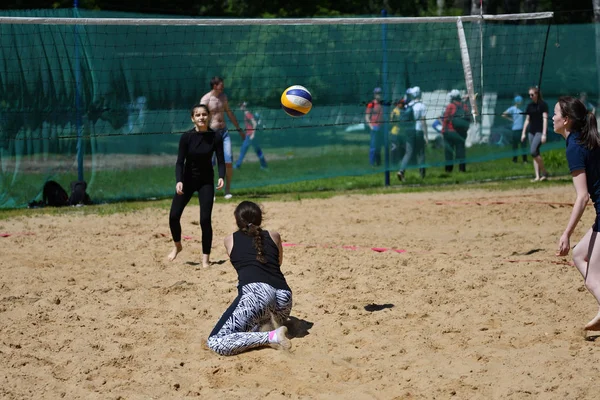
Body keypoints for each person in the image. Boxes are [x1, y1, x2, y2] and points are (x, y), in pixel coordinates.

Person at [207, 201, 293, 355]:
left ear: (237, 220)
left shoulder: (229, 240)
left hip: (258, 294)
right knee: (253, 321)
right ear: (260, 218)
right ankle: (269, 330)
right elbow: (278, 263)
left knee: (216, 341)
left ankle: (271, 336)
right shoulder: (274, 236)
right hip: (284, 299)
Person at [553, 96, 600, 331]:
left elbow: (582, 197)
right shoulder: (587, 139)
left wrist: (566, 233)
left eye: (555, 114)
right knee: (580, 255)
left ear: (566, 120)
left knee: (592, 279)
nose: (552, 118)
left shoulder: (575, 147)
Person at [167, 104, 225, 268]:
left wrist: (221, 176)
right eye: (198, 115)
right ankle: (178, 246)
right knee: (173, 216)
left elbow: (221, 160)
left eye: (204, 114)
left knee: (205, 220)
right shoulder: (187, 137)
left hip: (206, 181)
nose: (201, 117)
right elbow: (179, 162)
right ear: (193, 118)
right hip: (187, 180)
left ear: (209, 116)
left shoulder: (215, 137)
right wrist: (179, 180)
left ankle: (205, 259)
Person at [200, 76, 245, 199]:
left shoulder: (223, 97)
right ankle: (211, 192)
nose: (223, 86)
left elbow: (229, 113)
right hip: (211, 134)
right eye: (221, 84)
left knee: (228, 161)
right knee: (211, 164)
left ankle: (227, 190)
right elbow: (200, 118)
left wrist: (239, 129)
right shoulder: (206, 100)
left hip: (224, 133)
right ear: (215, 86)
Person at [397, 87, 427, 181]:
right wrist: (426, 135)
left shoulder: (409, 105)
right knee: (421, 153)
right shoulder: (422, 106)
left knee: (408, 152)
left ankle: (401, 171)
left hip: (409, 131)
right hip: (418, 131)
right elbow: (423, 121)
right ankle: (422, 174)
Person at [521, 86, 550, 182]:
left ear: (537, 94)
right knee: (535, 154)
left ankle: (544, 172)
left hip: (539, 131)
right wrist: (523, 133)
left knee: (533, 151)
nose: (530, 96)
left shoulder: (543, 105)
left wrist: (544, 134)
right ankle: (538, 176)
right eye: (529, 95)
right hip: (531, 132)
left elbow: (545, 119)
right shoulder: (529, 106)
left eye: (532, 94)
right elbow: (527, 120)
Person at [441, 89, 470, 173]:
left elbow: (445, 119)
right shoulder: (464, 106)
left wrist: (443, 130)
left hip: (449, 132)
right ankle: (462, 169)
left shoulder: (450, 106)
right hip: (460, 133)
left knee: (449, 152)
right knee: (461, 151)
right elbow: (468, 119)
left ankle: (448, 170)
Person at [234, 102, 268, 170]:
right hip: (249, 135)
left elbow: (254, 123)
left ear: (245, 106)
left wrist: (253, 134)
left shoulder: (248, 114)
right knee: (257, 150)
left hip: (250, 135)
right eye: (240, 106)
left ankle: (237, 165)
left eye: (241, 105)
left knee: (244, 150)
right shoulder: (247, 113)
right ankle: (264, 165)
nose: (240, 107)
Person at [502, 95, 528, 163]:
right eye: (520, 101)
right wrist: (510, 119)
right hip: (515, 130)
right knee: (515, 146)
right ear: (517, 102)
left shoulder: (523, 108)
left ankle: (524, 160)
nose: (521, 102)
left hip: (522, 130)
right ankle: (515, 160)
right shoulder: (512, 109)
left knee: (523, 146)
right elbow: (504, 114)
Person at [365, 87, 384, 166]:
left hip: (381, 127)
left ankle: (378, 163)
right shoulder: (371, 104)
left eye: (380, 93)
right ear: (374, 94)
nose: (379, 95)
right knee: (373, 146)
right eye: (377, 93)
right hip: (374, 127)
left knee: (379, 146)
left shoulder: (382, 104)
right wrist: (370, 126)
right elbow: (367, 116)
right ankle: (371, 163)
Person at [389, 98, 406, 165]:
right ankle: (393, 163)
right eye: (401, 103)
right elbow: (391, 122)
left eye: (403, 103)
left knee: (402, 148)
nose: (403, 104)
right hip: (395, 133)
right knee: (394, 148)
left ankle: (401, 161)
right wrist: (394, 119)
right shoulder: (394, 111)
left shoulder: (404, 110)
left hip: (402, 133)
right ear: (398, 104)